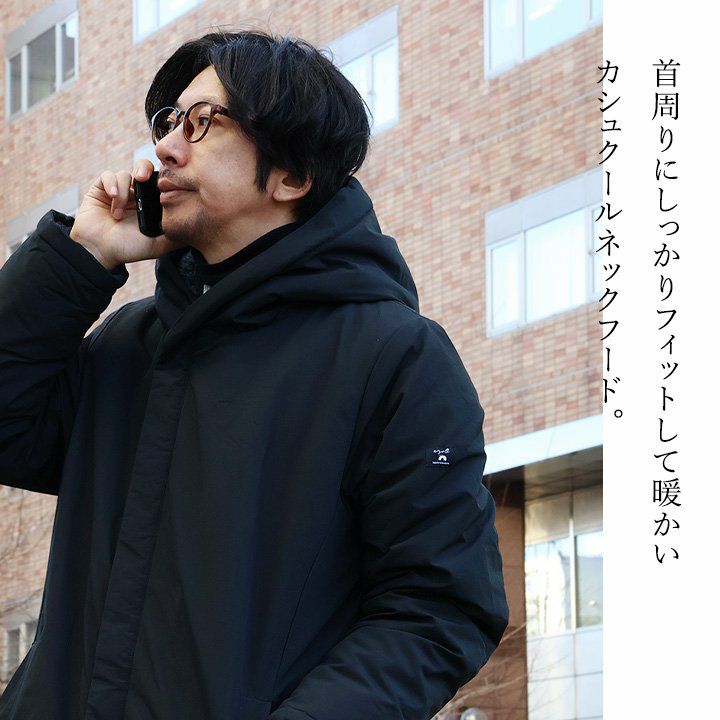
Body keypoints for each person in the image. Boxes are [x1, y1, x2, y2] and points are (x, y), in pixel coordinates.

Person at [0, 30, 508, 720]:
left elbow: (438, 609)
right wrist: (81, 255)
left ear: (291, 176)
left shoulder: (394, 357)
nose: (165, 147)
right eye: (168, 122)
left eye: (203, 122)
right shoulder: (129, 343)